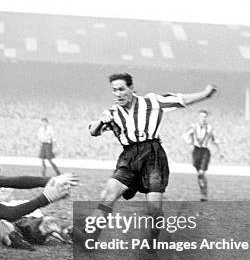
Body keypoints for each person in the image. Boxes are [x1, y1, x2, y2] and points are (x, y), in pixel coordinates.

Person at [73, 72, 217, 249]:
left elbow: (181, 100)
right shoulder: (112, 113)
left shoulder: (152, 102)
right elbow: (93, 132)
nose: (118, 94)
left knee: (154, 209)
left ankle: (153, 241)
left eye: (121, 89)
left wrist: (204, 94)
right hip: (129, 157)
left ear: (132, 88)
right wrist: (100, 122)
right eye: (114, 90)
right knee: (108, 195)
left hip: (153, 157)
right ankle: (90, 239)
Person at [183, 110, 222, 201]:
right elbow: (185, 135)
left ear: (206, 118)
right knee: (199, 174)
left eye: (204, 117)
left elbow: (214, 140)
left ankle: (204, 194)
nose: (203, 118)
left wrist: (219, 151)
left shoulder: (209, 128)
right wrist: (190, 143)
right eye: (201, 116)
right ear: (198, 117)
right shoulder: (193, 126)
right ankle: (203, 191)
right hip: (196, 151)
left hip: (205, 151)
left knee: (201, 173)